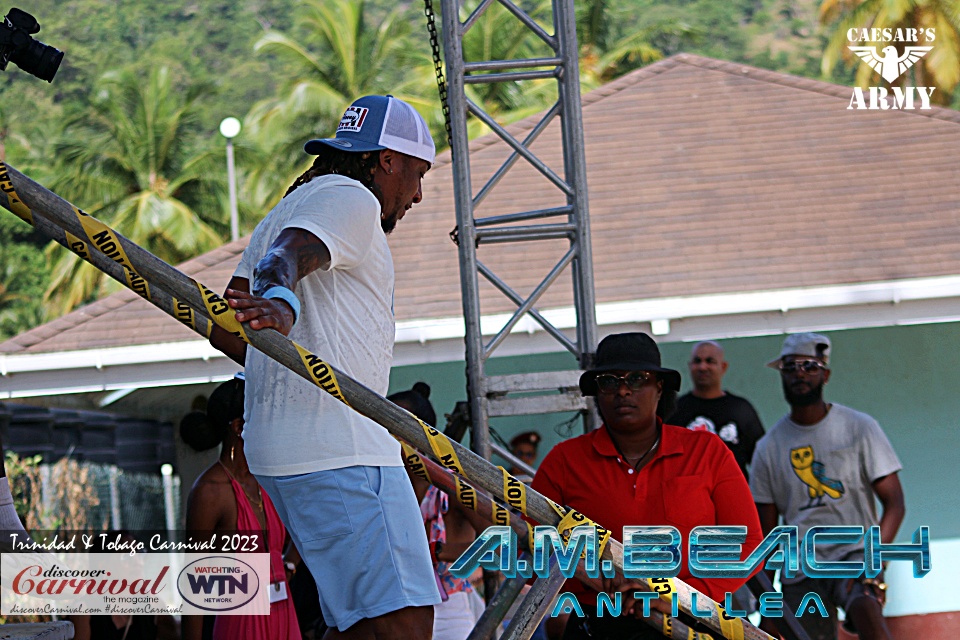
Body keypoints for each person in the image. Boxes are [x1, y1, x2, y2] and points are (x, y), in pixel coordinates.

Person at [210, 95, 439, 639]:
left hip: (284, 448)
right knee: (405, 622)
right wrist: (284, 304)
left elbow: (228, 328)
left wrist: (278, 319)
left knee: (363, 617)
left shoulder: (287, 206)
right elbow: (283, 259)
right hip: (343, 445)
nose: (419, 193)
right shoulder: (349, 197)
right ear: (387, 160)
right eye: (418, 173)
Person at [531, 333, 763, 640]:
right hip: (598, 624)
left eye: (637, 379)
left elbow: (746, 544)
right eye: (609, 381)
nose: (623, 390)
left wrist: (678, 598)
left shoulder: (707, 451)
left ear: (659, 387)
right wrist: (601, 583)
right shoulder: (564, 460)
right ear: (597, 392)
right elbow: (532, 550)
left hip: (692, 624)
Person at [750, 333, 904, 640]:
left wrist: (874, 563)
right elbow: (767, 535)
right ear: (782, 374)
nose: (800, 374)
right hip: (801, 567)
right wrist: (766, 603)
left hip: (855, 555)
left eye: (809, 366)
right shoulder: (768, 448)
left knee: (866, 606)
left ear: (826, 374)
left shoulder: (859, 427)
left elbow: (895, 503)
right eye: (791, 367)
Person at [181, 375, 301, 640]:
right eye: (265, 415)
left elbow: (310, 521)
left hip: (283, 612)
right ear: (239, 427)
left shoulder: (269, 477)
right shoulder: (210, 490)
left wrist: (289, 564)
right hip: (241, 622)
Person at [388, 382, 488, 640]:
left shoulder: (453, 486)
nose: (387, 435)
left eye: (396, 428)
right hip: (393, 608)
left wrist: (437, 552)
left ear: (423, 434)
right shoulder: (379, 487)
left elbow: (501, 542)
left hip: (448, 612)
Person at [669, 340, 765, 479]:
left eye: (710, 361)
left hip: (734, 495)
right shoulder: (675, 410)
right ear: (690, 366)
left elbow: (759, 462)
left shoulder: (741, 409)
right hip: (689, 496)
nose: (703, 367)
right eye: (697, 361)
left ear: (723, 366)